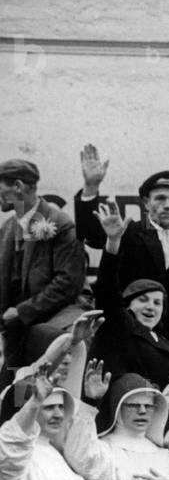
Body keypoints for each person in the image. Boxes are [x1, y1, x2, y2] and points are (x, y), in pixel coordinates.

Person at [74, 147, 169, 344]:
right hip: (129, 335)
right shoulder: (128, 232)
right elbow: (90, 235)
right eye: (160, 198)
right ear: (146, 202)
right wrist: (90, 187)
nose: (167, 204)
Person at [0, 158, 87, 369]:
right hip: (19, 325)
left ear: (18, 187)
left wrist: (21, 312)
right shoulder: (7, 228)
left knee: (46, 382)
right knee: (15, 388)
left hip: (56, 319)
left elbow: (68, 283)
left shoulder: (60, 224)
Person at [90, 202, 169, 389]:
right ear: (128, 305)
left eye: (157, 303)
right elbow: (107, 290)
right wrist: (113, 242)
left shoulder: (164, 340)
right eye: (143, 299)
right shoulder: (121, 326)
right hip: (121, 408)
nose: (151, 307)